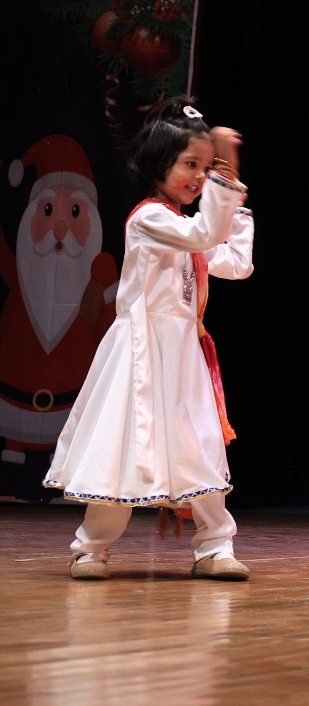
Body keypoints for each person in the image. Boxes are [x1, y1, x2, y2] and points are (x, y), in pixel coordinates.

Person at [44, 97, 254, 581]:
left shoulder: (183, 229)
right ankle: (90, 547)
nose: (200, 176)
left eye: (206, 167)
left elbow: (235, 264)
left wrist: (232, 196)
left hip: (182, 354)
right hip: (140, 353)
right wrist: (226, 176)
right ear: (159, 163)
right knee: (121, 447)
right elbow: (205, 233)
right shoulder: (150, 220)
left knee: (199, 444)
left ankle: (215, 547)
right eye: (191, 164)